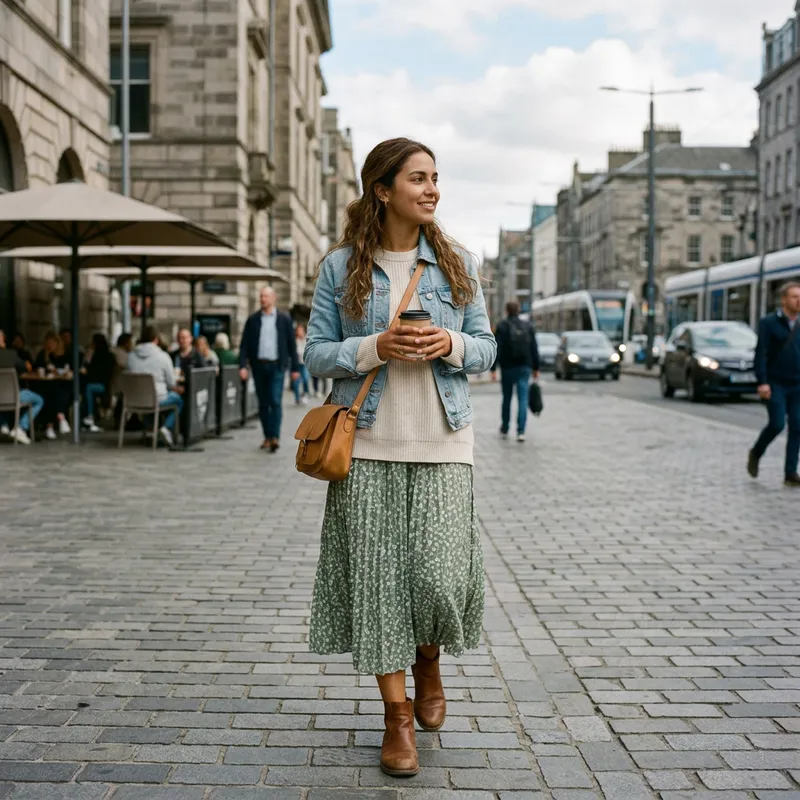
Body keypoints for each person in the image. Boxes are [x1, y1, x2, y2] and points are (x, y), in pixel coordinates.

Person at [304, 138, 496, 778]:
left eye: (436, 178)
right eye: (418, 178)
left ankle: (430, 661)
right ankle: (395, 718)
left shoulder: (459, 262)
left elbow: (488, 349)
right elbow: (316, 355)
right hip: (369, 443)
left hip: (443, 441)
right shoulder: (340, 267)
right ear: (383, 190)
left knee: (439, 580)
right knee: (380, 588)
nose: (432, 188)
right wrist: (374, 346)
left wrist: (451, 342)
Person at [748, 281, 800, 486]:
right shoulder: (768, 323)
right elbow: (761, 354)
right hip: (776, 383)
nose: (799, 300)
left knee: (798, 427)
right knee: (777, 423)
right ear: (784, 300)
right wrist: (762, 382)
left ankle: (790, 472)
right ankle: (756, 452)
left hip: (798, 384)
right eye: (795, 296)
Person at [238, 286, 300, 452]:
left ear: (273, 298)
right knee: (263, 403)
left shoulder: (283, 319)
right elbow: (244, 344)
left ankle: (275, 437)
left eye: (266, 296)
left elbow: (291, 345)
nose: (263, 299)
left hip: (277, 366)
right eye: (261, 296)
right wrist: (242, 365)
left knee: (275, 400)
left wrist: (295, 368)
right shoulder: (253, 319)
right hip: (259, 366)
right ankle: (267, 436)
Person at [127, 325, 183, 447]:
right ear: (156, 339)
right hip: (157, 398)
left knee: (150, 398)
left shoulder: (131, 356)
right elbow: (171, 383)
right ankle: (166, 428)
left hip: (133, 400)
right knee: (178, 400)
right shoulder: (163, 356)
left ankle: (150, 430)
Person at [493, 301, 540, 443]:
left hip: (507, 368)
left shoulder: (502, 326)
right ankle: (521, 431)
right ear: (519, 310)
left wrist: (493, 368)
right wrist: (536, 368)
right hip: (524, 367)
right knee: (523, 399)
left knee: (506, 399)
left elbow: (497, 348)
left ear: (507, 311)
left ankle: (505, 427)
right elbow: (534, 348)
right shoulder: (528, 326)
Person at [0, 330, 42, 444]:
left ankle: (3, 425)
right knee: (39, 400)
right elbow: (25, 367)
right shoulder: (10, 355)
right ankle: (21, 427)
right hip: (14, 396)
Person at [33, 331, 72, 440]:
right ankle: (60, 417)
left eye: (52, 343)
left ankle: (50, 426)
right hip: (45, 384)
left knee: (56, 393)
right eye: (48, 343)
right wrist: (46, 358)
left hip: (62, 384)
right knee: (49, 394)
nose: (50, 346)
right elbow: (36, 368)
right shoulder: (43, 354)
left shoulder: (65, 354)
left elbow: (69, 369)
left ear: (57, 343)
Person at [81, 333, 117, 433]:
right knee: (85, 388)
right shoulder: (100, 355)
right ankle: (87, 416)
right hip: (97, 382)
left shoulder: (105, 357)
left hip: (103, 385)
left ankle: (90, 416)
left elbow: (97, 373)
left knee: (88, 388)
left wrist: (88, 366)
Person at [292, 324, 310, 405]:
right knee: (296, 382)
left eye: (301, 330)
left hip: (304, 363)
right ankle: (297, 398)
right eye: (298, 330)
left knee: (306, 379)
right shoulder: (294, 341)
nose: (300, 332)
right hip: (297, 364)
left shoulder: (306, 340)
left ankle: (305, 394)